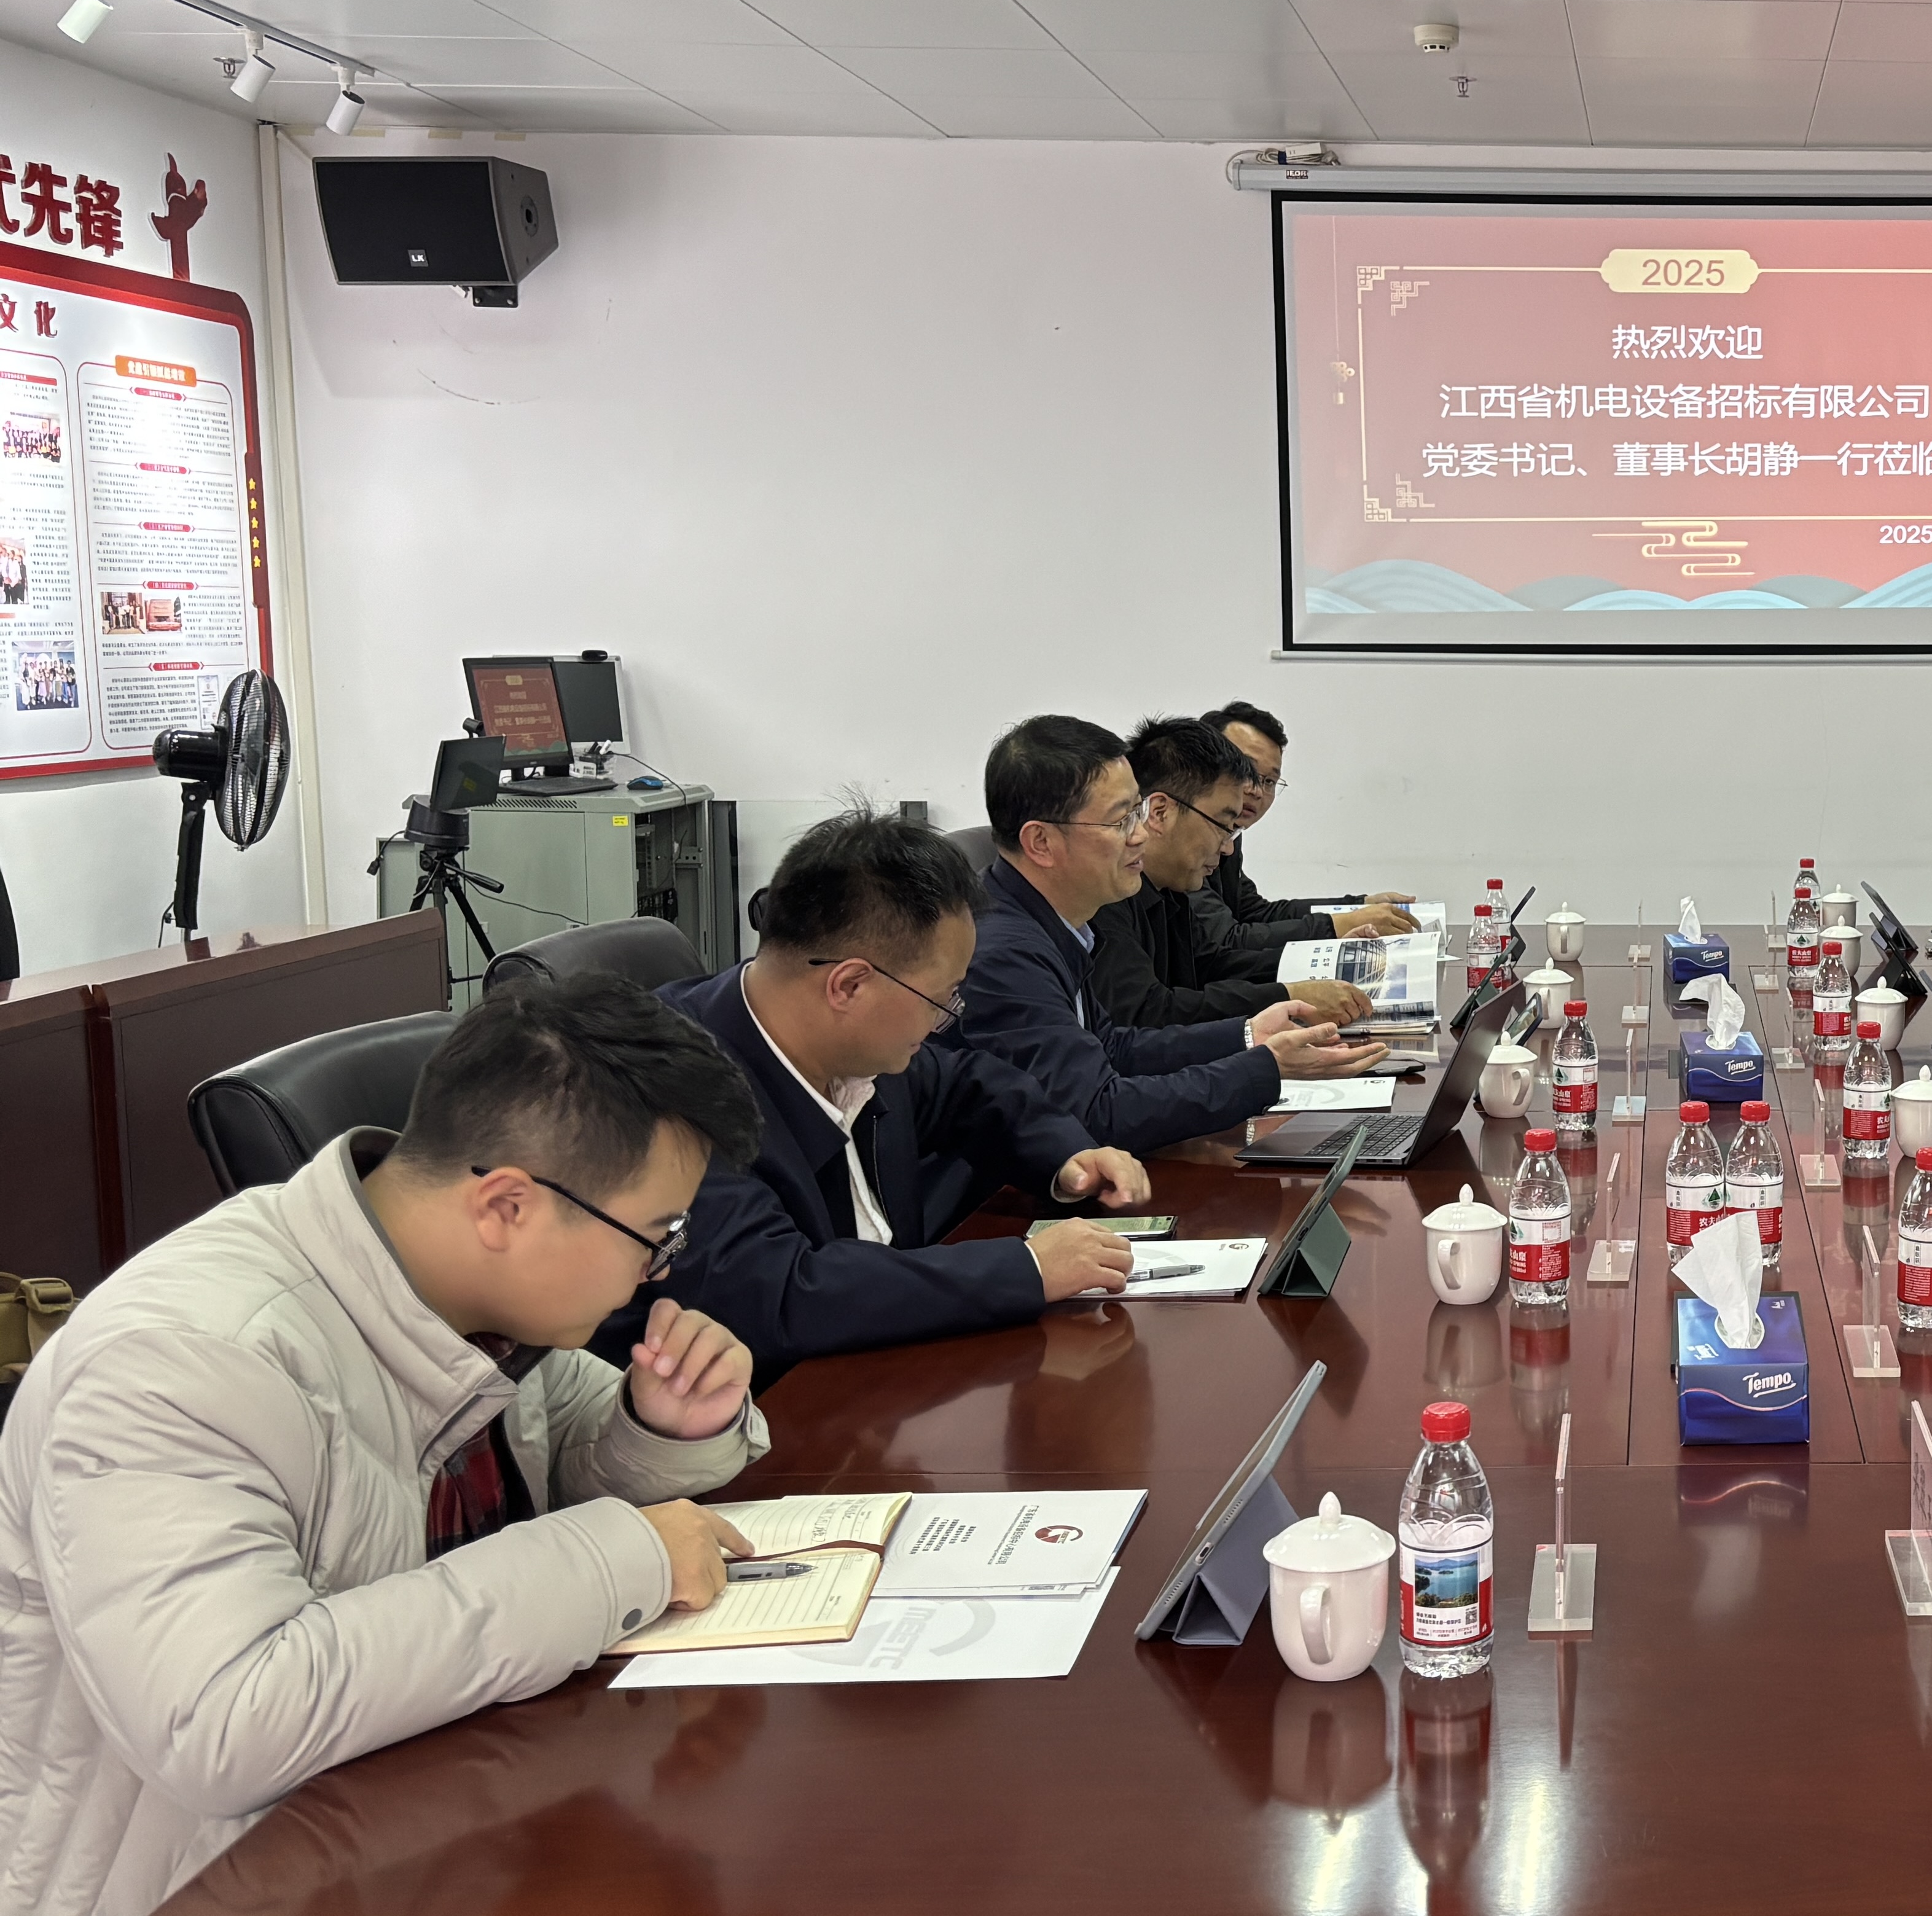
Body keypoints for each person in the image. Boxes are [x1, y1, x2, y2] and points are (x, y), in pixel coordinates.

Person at [0, 976, 772, 1913]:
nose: (657, 1271)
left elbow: (567, 1459)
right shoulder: (182, 1364)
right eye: (655, 1236)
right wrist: (615, 1563)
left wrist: (662, 1427)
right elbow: (224, 1722)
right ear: (508, 1207)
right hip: (206, 1880)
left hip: (435, 1830)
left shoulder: (462, 1292)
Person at [593, 807, 1163, 1386]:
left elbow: (966, 1086)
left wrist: (1067, 1157)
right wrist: (1029, 1267)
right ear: (849, 985)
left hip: (877, 1378)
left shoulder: (846, 1039)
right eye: (942, 1000)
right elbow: (780, 1291)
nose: (946, 1019)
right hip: (753, 1409)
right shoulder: (664, 1088)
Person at [951, 715, 1379, 1152]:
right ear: (1041, 842)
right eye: (1121, 821)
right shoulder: (1004, 953)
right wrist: (1264, 1069)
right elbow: (1098, 1114)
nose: (1141, 835)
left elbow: (1113, 1047)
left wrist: (1250, 1035)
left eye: (1137, 813)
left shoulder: (1056, 923)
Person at [1089, 717, 1376, 1031]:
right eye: (1223, 826)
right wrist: (1288, 997)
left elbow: (1213, 963)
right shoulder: (1105, 895)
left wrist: (1325, 959)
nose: (1227, 848)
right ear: (1160, 812)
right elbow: (1147, 1013)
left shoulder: (1169, 887)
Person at [1197, 700, 1420, 964]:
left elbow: (1255, 913)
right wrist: (1340, 924)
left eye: (1269, 781)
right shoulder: (1181, 841)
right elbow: (1226, 941)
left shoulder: (1230, 836)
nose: (1256, 791)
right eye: (1246, 771)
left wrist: (1359, 905)